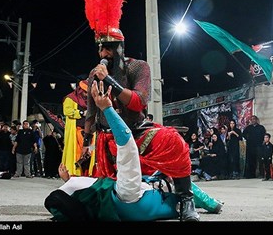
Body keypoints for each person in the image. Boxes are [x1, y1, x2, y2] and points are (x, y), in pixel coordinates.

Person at [80, 0, 199, 221]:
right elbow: (89, 112)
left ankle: (186, 200)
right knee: (100, 194)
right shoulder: (93, 74)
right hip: (106, 139)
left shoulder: (138, 67)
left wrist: (109, 80)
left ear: (119, 49)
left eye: (107, 47)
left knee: (175, 142)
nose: (102, 52)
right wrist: (86, 143)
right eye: (100, 47)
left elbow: (139, 102)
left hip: (136, 133)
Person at [45, 81, 222, 221]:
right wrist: (107, 108)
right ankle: (191, 200)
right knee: (166, 172)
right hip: (141, 192)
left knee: (159, 170)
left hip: (134, 187)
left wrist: (69, 180)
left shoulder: (93, 203)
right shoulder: (126, 193)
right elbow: (126, 142)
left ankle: (195, 200)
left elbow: (76, 188)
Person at [62, 80, 94, 176]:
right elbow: (67, 111)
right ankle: (75, 173)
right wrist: (81, 113)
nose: (85, 94)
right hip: (77, 132)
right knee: (77, 152)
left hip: (91, 133)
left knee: (91, 151)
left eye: (87, 92)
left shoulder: (91, 101)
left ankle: (88, 172)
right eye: (84, 91)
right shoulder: (70, 98)